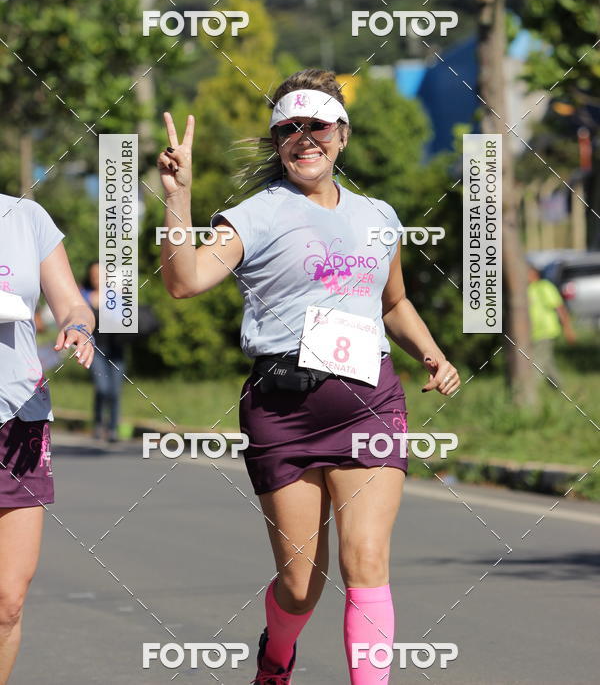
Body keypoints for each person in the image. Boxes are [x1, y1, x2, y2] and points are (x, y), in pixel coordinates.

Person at [157, 69, 460, 685]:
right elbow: (184, 281)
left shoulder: (378, 215)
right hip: (283, 409)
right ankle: (276, 658)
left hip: (368, 400)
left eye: (316, 126)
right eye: (289, 129)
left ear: (341, 135)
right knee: (301, 584)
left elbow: (393, 303)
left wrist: (433, 352)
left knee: (367, 560)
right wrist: (177, 196)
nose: (304, 139)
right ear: (277, 143)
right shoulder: (255, 216)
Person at [0, 193, 95, 684]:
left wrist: (79, 327)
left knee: (8, 601)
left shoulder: (26, 217)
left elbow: (73, 302)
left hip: (18, 419)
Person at [80, 261, 126, 442]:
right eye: (94, 276)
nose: (98, 279)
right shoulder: (83, 296)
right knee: (102, 387)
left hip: (116, 349)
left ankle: (113, 428)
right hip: (95, 349)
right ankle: (98, 423)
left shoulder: (117, 297)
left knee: (115, 390)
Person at [527, 264, 576, 387]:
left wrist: (568, 328)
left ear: (535, 273)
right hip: (534, 333)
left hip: (546, 331)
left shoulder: (544, 286)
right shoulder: (527, 289)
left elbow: (559, 308)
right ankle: (559, 388)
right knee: (548, 363)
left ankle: (530, 389)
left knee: (537, 362)